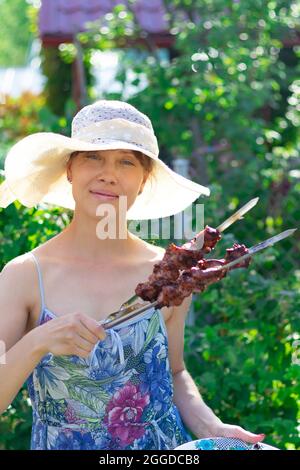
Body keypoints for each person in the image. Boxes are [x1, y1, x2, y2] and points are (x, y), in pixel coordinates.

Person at [0, 100, 265, 450]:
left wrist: (211, 426)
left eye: (126, 162)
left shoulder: (166, 273)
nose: (108, 173)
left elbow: (174, 372)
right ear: (69, 170)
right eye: (93, 157)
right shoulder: (25, 275)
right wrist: (37, 342)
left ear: (143, 181)